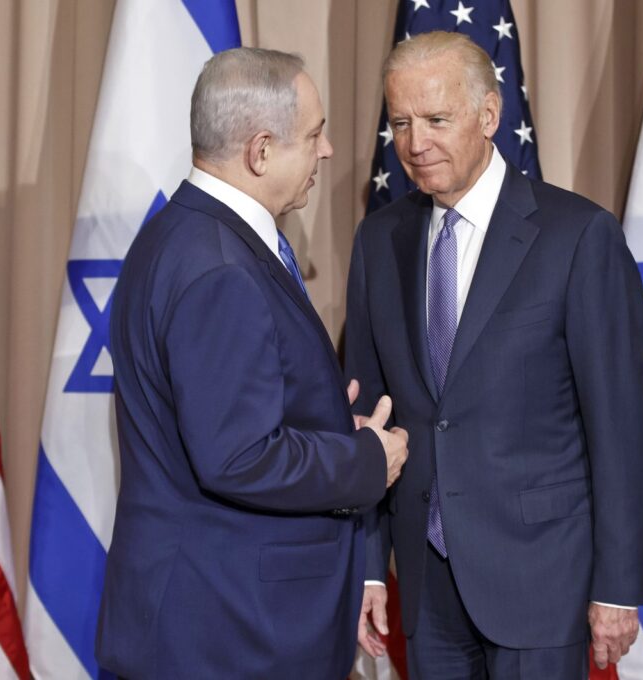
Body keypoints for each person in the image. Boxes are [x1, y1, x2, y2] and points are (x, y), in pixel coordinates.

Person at [345, 32, 643, 678]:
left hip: (542, 577)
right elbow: (367, 425)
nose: (415, 142)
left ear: (489, 115)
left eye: (436, 119)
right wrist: (368, 569)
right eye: (400, 122)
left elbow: (620, 429)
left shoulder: (578, 237)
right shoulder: (380, 240)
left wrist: (618, 585)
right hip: (425, 585)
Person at [95, 47, 408, 679]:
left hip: (206, 619)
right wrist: (368, 458)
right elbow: (237, 457)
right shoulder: (220, 269)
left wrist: (320, 422)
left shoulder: (177, 234)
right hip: (229, 631)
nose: (326, 152)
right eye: (314, 135)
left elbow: (220, 420)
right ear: (260, 151)